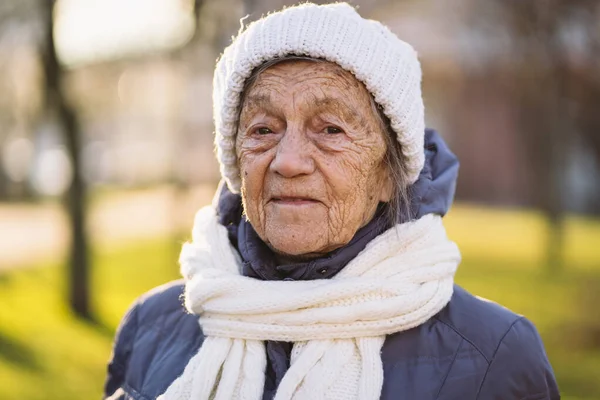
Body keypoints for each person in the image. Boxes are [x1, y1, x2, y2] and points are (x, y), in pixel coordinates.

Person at [104, 3, 559, 400]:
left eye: (331, 130)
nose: (288, 161)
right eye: (263, 128)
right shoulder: (150, 326)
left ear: (389, 172)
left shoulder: (494, 359)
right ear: (236, 162)